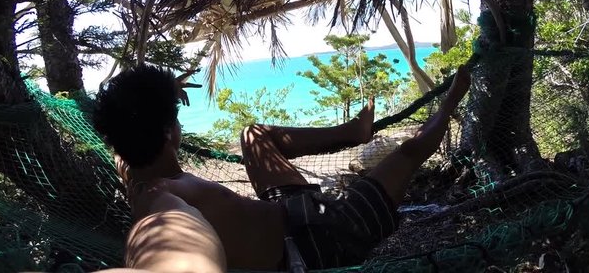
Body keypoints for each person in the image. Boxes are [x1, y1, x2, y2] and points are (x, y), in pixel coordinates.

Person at [93, 64, 471, 271]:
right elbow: (165, 247)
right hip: (320, 243)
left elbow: (125, 123)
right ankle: (454, 97)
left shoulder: (131, 164)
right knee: (407, 152)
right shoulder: (160, 200)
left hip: (293, 213)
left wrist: (161, 92)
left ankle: (354, 132)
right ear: (168, 130)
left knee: (253, 136)